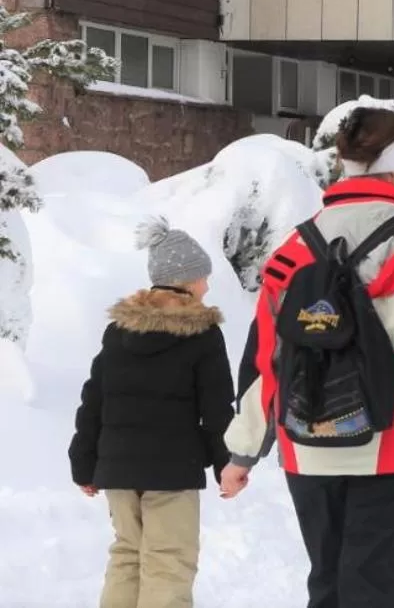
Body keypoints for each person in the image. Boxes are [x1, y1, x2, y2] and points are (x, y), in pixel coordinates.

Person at [221, 107, 394, 608]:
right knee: (373, 592)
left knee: (329, 586)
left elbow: (264, 359)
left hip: (305, 447)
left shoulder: (293, 251)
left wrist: (243, 450)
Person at [70, 218, 233, 608]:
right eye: (202, 277)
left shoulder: (118, 332)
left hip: (119, 470)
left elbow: (94, 399)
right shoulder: (202, 333)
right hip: (171, 473)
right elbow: (216, 407)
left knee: (127, 555)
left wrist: (84, 461)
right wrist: (227, 462)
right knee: (168, 563)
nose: (206, 286)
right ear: (185, 280)